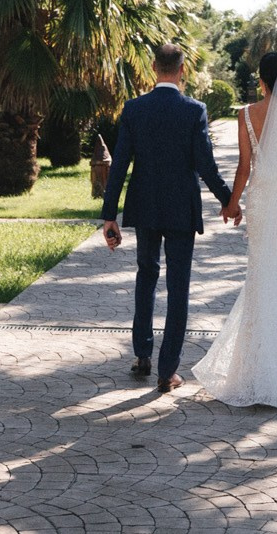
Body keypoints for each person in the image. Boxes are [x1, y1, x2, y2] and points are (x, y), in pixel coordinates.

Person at [100, 43, 237, 392]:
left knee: (146, 276)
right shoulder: (194, 110)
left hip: (144, 206)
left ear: (153, 68)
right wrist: (228, 200)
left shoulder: (134, 109)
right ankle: (167, 371)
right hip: (180, 209)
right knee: (178, 287)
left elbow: (119, 164)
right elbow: (204, 164)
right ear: (182, 70)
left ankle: (142, 354)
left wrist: (109, 215)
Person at [191, 50, 277, 409]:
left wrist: (232, 204)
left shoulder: (246, 114)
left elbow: (244, 168)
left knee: (262, 278)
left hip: (263, 203)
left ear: (262, 81)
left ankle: (257, 365)